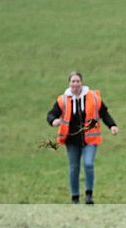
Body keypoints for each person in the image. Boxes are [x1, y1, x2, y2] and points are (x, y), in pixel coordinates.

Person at [47, 71, 119, 204]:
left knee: (88, 163)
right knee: (74, 167)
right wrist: (53, 121)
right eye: (73, 81)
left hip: (90, 139)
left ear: (82, 82)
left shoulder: (93, 97)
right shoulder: (63, 99)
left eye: (77, 81)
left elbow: (104, 112)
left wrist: (112, 126)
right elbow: (51, 114)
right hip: (71, 140)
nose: (75, 84)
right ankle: (75, 196)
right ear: (69, 84)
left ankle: (89, 194)